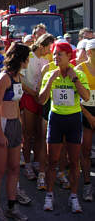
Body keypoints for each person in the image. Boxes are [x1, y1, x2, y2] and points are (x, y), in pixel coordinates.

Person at [38, 42, 90, 213]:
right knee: (52, 160)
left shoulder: (79, 74)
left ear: (69, 56)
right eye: (54, 54)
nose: (55, 57)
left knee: (74, 161)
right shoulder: (50, 74)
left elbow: (86, 96)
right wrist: (50, 80)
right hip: (56, 119)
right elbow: (41, 100)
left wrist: (74, 79)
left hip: (74, 119)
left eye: (59, 54)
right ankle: (49, 195)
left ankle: (73, 196)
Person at [0, 42, 30, 221]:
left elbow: (16, 104)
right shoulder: (4, 77)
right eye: (27, 58)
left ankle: (12, 207)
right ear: (20, 59)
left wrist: (19, 127)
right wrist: (0, 132)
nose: (29, 61)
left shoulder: (18, 77)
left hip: (14, 124)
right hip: (3, 125)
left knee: (14, 168)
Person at [20, 33, 53, 187]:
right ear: (42, 45)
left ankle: (36, 162)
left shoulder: (48, 59)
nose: (50, 50)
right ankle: (27, 164)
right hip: (29, 98)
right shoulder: (28, 56)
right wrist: (33, 93)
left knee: (41, 134)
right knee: (28, 133)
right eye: (48, 47)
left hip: (42, 100)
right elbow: (20, 80)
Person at [77, 39, 95, 202]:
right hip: (85, 111)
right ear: (89, 52)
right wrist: (89, 116)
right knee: (86, 150)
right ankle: (87, 184)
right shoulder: (79, 69)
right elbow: (75, 97)